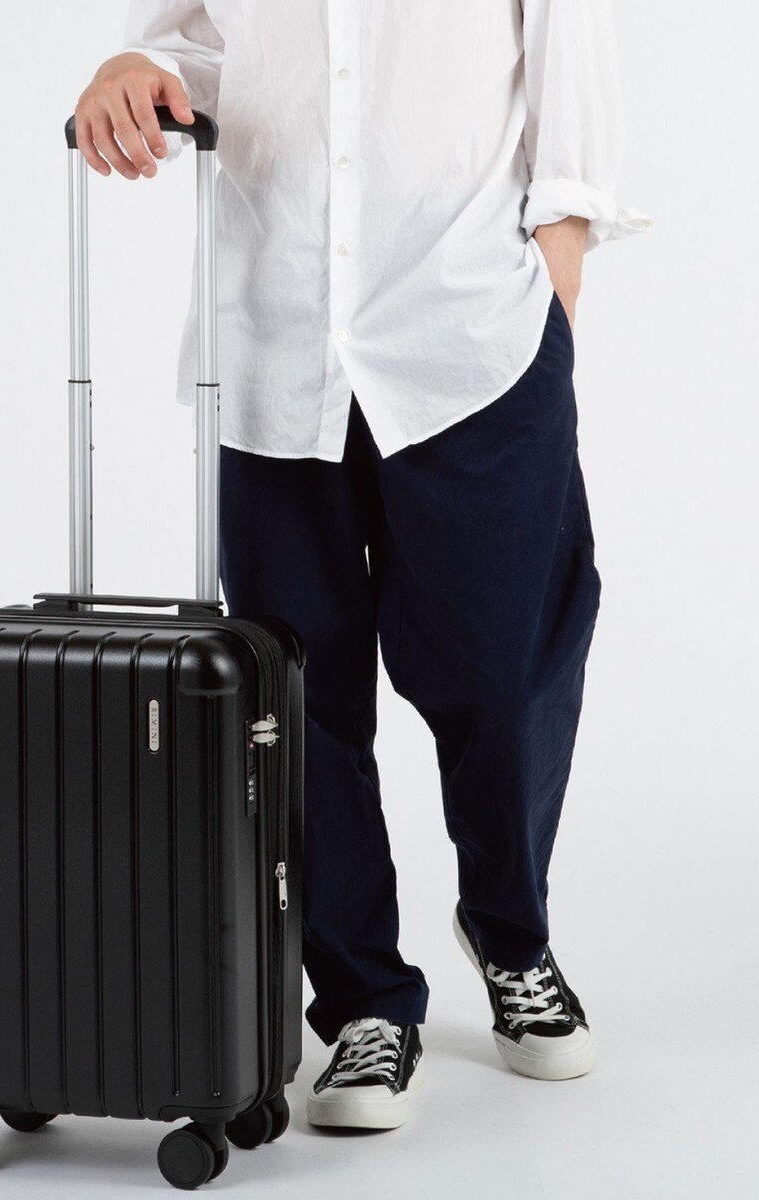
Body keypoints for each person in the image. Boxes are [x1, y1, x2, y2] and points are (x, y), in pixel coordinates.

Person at [73, 0, 650, 1131]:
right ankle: (361, 1005)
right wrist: (129, 66)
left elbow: (569, 80)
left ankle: (510, 933)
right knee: (294, 705)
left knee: (504, 672)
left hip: (471, 336)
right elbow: (197, 43)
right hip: (274, 338)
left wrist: (553, 291)